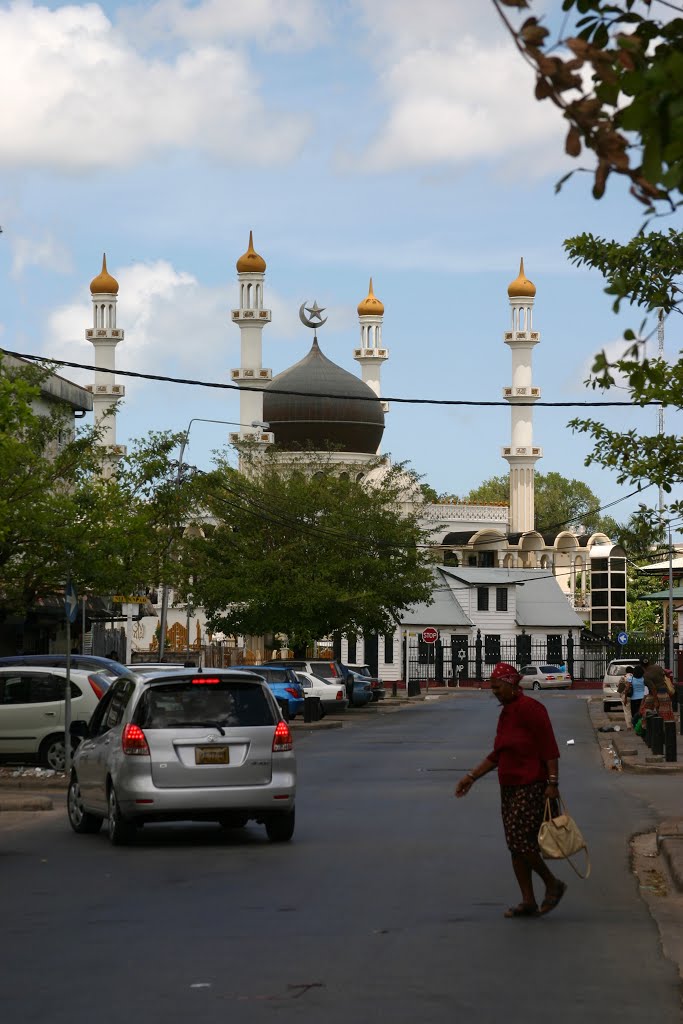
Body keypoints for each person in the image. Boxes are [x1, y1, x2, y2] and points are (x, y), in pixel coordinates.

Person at [455, 661, 567, 919]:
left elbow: (549, 748)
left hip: (532, 785)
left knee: (521, 841)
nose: (494, 692)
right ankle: (528, 900)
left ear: (510, 684)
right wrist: (471, 777)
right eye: (492, 688)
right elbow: (498, 754)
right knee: (515, 846)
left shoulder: (531, 709)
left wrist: (552, 783)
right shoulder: (506, 714)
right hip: (509, 786)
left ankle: (552, 884)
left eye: (497, 687)